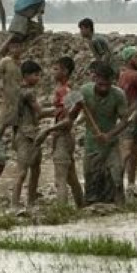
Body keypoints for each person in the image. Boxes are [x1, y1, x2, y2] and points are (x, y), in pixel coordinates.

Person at [33, 56, 84, 208]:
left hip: (63, 137)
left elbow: (68, 120)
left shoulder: (65, 91)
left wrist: (47, 131)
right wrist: (44, 113)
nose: (52, 72)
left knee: (60, 179)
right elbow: (61, 111)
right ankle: (82, 206)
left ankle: (62, 212)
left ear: (65, 71)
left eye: (56, 69)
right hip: (65, 137)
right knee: (71, 177)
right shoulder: (70, 90)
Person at [78, 61, 131, 205]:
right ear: (95, 79)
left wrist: (109, 135)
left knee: (116, 178)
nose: (104, 88)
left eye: (107, 85)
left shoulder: (118, 95)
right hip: (92, 143)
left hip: (111, 144)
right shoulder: (84, 91)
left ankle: (120, 209)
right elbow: (72, 112)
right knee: (91, 180)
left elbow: (125, 120)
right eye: (101, 85)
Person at [7, 60, 43, 209]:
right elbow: (39, 111)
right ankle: (17, 204)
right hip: (26, 134)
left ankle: (28, 202)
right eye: (35, 75)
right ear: (26, 75)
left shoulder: (18, 91)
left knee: (34, 169)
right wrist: (60, 109)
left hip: (24, 133)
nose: (38, 78)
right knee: (23, 172)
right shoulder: (28, 92)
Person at [117, 46, 137, 190]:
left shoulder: (122, 75)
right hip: (133, 117)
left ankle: (130, 183)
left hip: (126, 116)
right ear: (130, 59)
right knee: (129, 151)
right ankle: (121, 181)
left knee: (133, 151)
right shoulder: (136, 75)